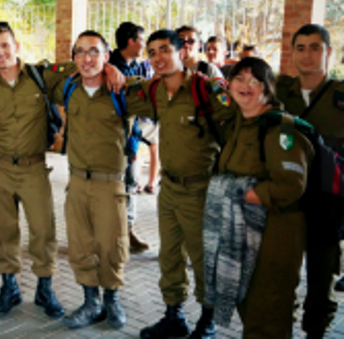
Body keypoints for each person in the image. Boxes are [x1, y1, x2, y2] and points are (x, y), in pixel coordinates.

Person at [137, 29, 235, 339]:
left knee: (203, 257)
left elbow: (238, 122)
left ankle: (208, 319)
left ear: (182, 52)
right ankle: (173, 315)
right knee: (169, 255)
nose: (158, 57)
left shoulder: (206, 89)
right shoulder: (154, 90)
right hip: (169, 189)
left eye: (165, 49)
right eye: (152, 52)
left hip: (201, 189)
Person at [50, 30, 150, 331]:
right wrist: (98, 65)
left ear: (108, 56)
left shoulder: (124, 89)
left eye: (94, 51)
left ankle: (111, 300)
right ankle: (90, 301)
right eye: (79, 52)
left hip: (111, 184)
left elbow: (158, 91)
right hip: (77, 181)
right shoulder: (69, 87)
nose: (87, 58)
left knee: (113, 245)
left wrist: (114, 71)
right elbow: (43, 71)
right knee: (81, 245)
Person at [0, 21, 75, 320]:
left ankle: (44, 289)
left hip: (34, 168)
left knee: (43, 230)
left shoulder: (40, 76)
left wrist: (110, 68)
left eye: (5, 45)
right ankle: (9, 288)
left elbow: (81, 67)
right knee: (3, 230)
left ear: (16, 46)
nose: (1, 53)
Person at [218, 57, 314, 338]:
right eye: (239, 78)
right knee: (249, 306)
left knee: (269, 311)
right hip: (245, 231)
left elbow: (291, 185)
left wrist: (244, 194)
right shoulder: (239, 124)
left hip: (277, 233)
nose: (245, 85)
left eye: (254, 80)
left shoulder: (281, 128)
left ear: (268, 88)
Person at [275, 23, 344, 338]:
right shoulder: (278, 92)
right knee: (280, 278)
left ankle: (316, 332)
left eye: (315, 47)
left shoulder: (341, 98)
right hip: (286, 204)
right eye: (300, 47)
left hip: (328, 205)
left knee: (322, 279)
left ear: (328, 52)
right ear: (292, 53)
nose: (307, 54)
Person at [109, 21, 157, 254]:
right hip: (113, 140)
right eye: (141, 40)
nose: (144, 45)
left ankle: (127, 232)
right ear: (130, 41)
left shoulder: (135, 67)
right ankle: (116, 234)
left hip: (131, 137)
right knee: (119, 186)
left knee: (130, 185)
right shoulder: (108, 65)